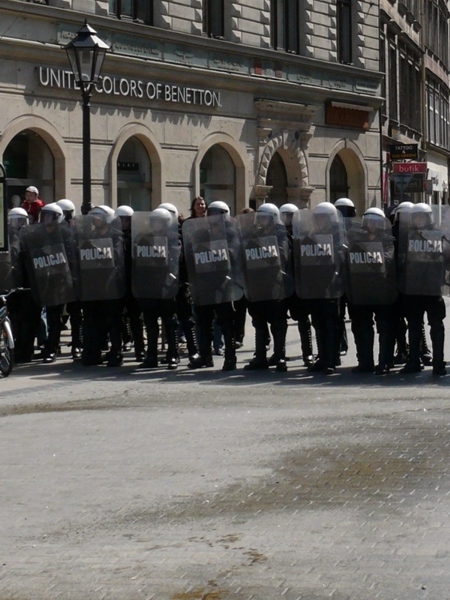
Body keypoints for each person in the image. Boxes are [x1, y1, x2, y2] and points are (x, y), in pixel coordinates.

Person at [345, 207, 397, 374]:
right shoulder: (356, 239)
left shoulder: (388, 241)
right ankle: (365, 362)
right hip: (361, 290)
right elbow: (349, 259)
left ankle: (385, 362)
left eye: (376, 221)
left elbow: (387, 259)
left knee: (385, 328)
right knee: (361, 328)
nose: (372, 224)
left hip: (383, 291)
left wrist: (369, 256)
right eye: (369, 221)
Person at [398, 203, 448, 376]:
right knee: (414, 326)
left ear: (428, 217)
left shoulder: (438, 236)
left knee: (437, 326)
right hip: (413, 288)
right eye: (416, 216)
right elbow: (400, 260)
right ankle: (414, 360)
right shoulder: (407, 236)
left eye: (422, 216)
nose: (419, 220)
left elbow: (447, 257)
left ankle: (439, 362)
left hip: (433, 288)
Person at [241, 203, 290, 372]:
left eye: (265, 217)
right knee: (259, 322)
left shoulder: (280, 234)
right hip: (257, 284)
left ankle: (280, 356)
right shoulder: (255, 234)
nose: (262, 220)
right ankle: (260, 356)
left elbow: (282, 255)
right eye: (260, 217)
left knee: (278, 323)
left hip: (275, 285)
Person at [280, 202, 314, 367]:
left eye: (291, 217)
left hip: (299, 282)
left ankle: (307, 353)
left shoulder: (304, 235)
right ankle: (279, 354)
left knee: (303, 319)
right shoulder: (276, 235)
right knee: (279, 321)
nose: (288, 221)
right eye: (285, 216)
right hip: (281, 283)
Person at [115, 205, 145, 362]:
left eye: (126, 220)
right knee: (117, 318)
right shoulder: (112, 237)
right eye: (120, 219)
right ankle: (117, 350)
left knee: (136, 318)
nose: (123, 222)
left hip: (133, 283)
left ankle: (140, 349)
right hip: (117, 283)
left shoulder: (138, 237)